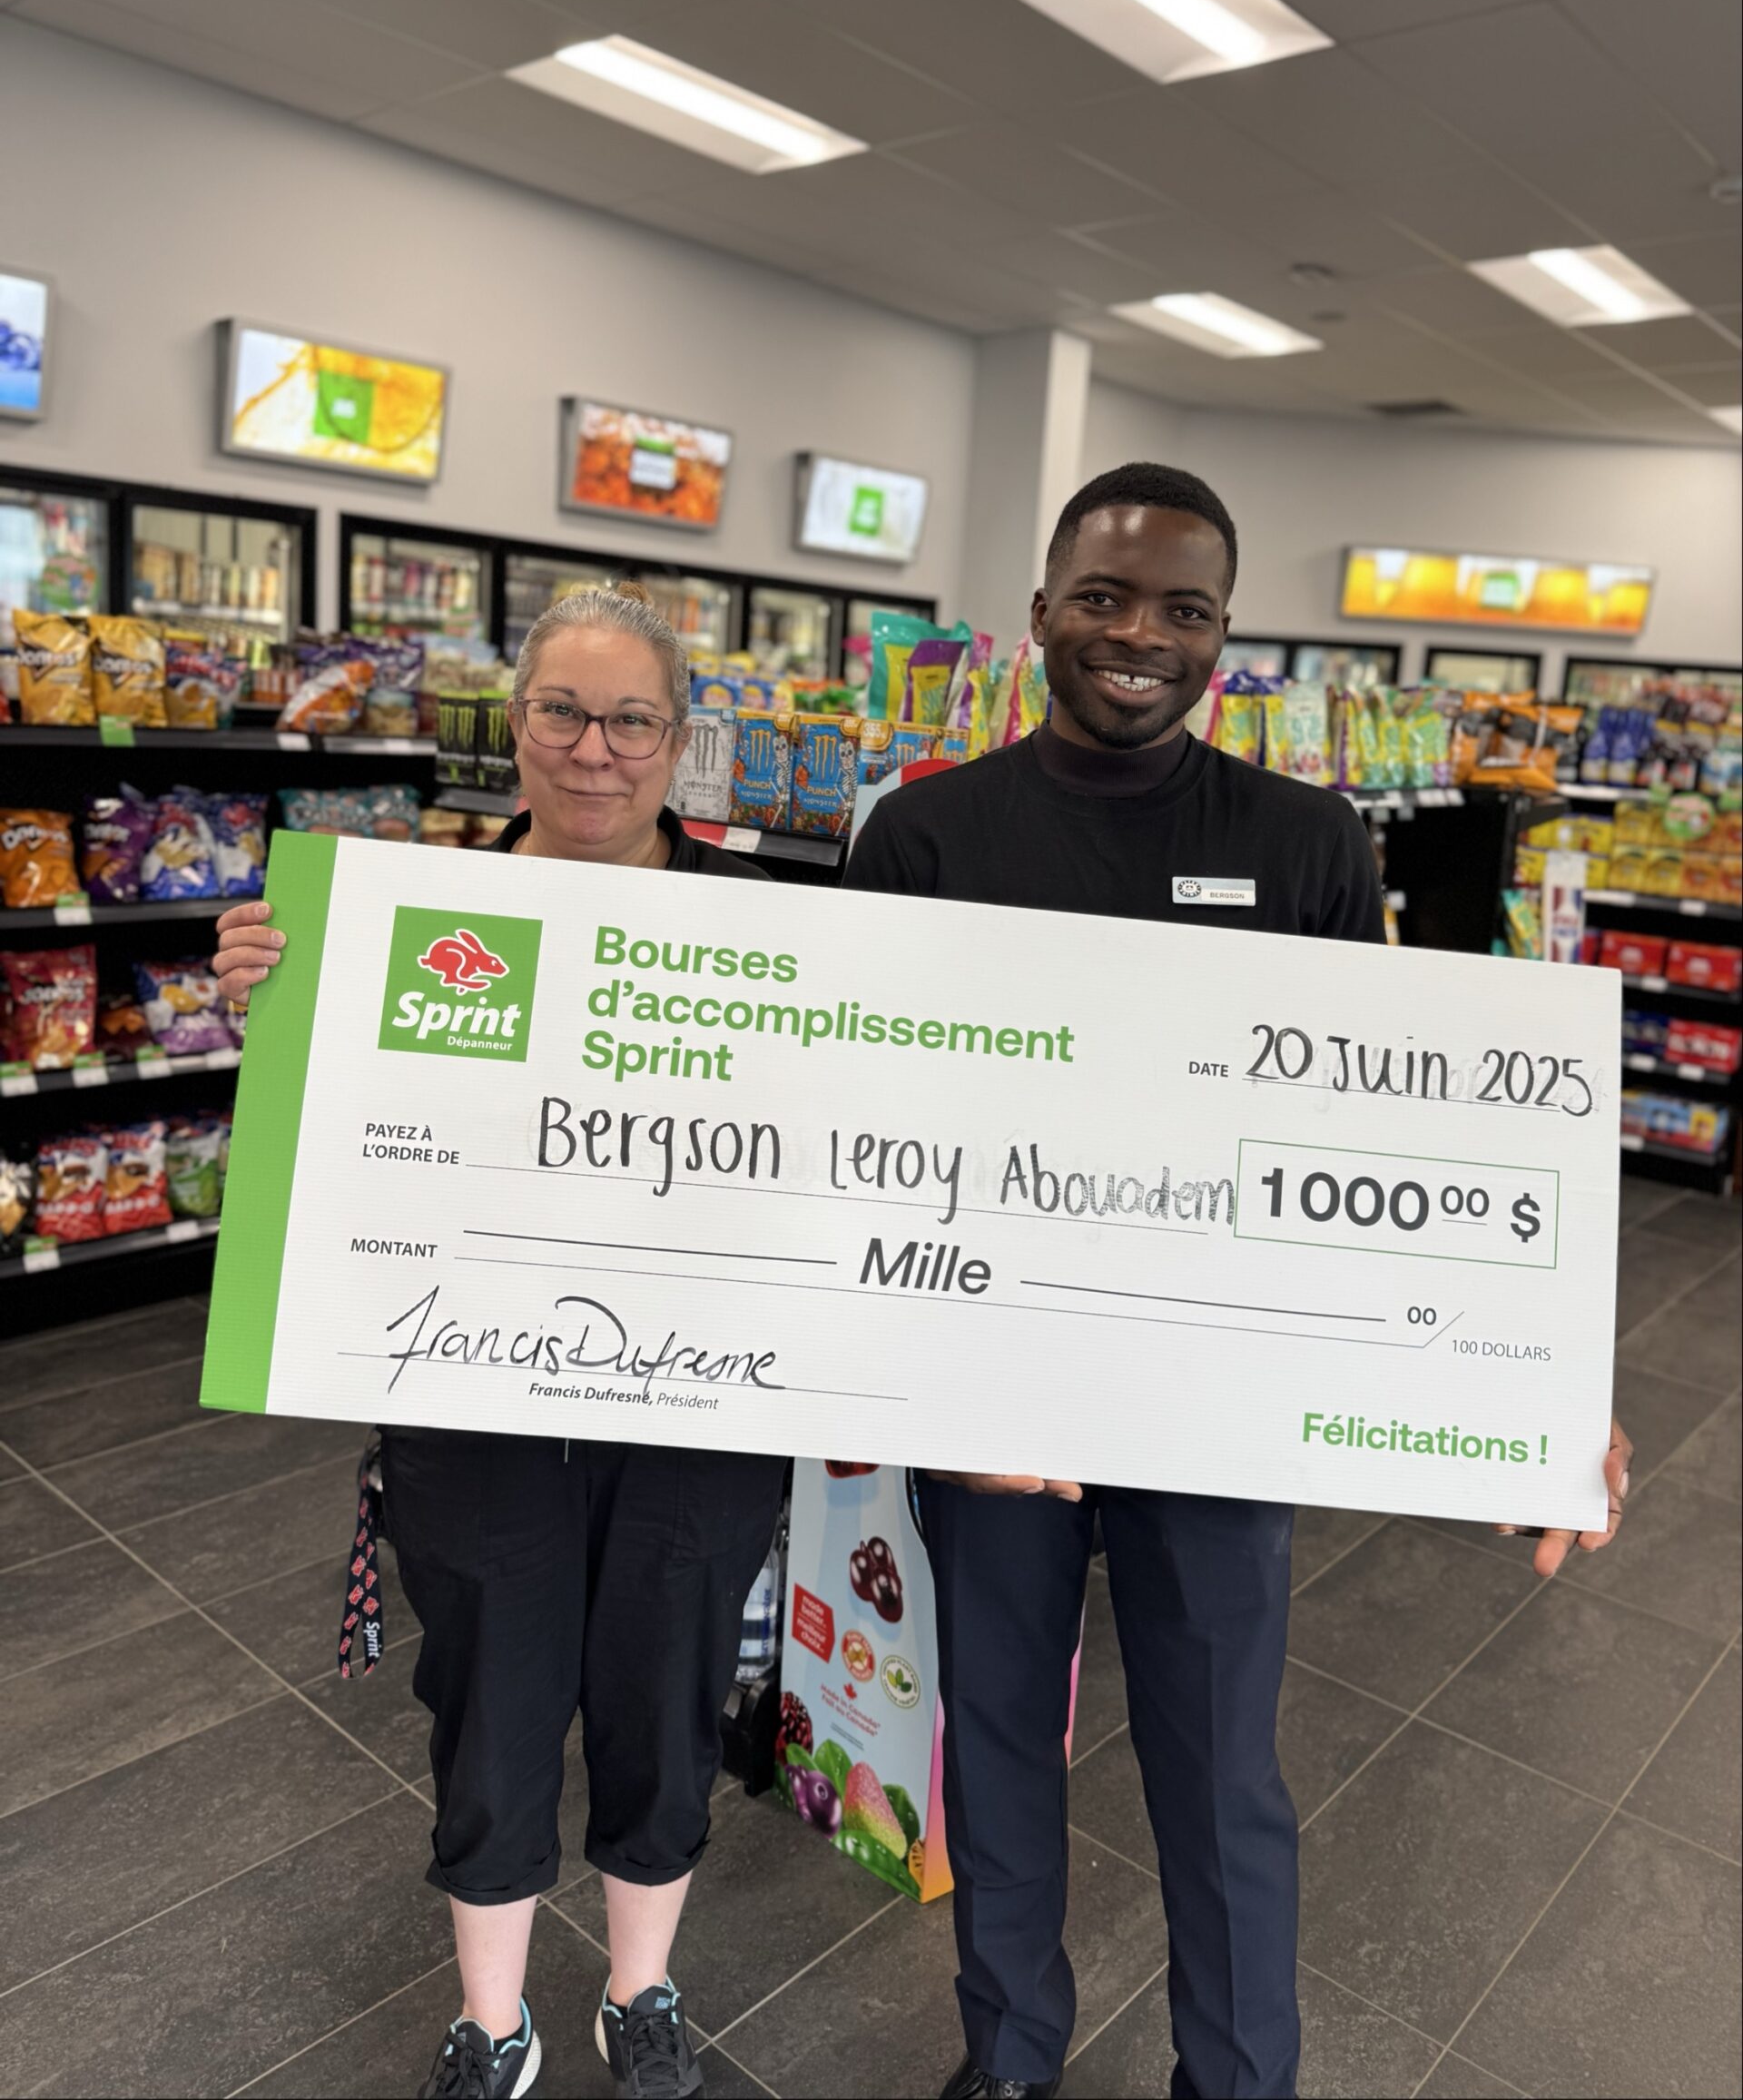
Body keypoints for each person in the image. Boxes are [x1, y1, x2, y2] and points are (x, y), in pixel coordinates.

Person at [843, 464, 1632, 2100]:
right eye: (1105, 596)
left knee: (1221, 1773)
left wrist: (1537, 1387)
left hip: (1219, 1397)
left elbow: (1393, 1137)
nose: (1139, 634)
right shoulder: (924, 834)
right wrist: (883, 1380)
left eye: (1182, 609)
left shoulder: (1306, 841)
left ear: (1224, 637)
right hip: (993, 1394)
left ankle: (1239, 2077)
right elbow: (855, 1122)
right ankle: (1009, 2058)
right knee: (996, 1739)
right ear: (1042, 609)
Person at [215, 584, 784, 2100]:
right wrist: (275, 1008)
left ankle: (642, 1993)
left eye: (632, 720)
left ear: (680, 740)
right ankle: (494, 2019)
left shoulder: (779, 934)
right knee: (489, 1703)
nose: (594, 750)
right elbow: (338, 1145)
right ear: (512, 725)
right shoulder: (399, 915)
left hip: (700, 1403)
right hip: (471, 1398)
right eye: (562, 713)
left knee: (669, 1697)